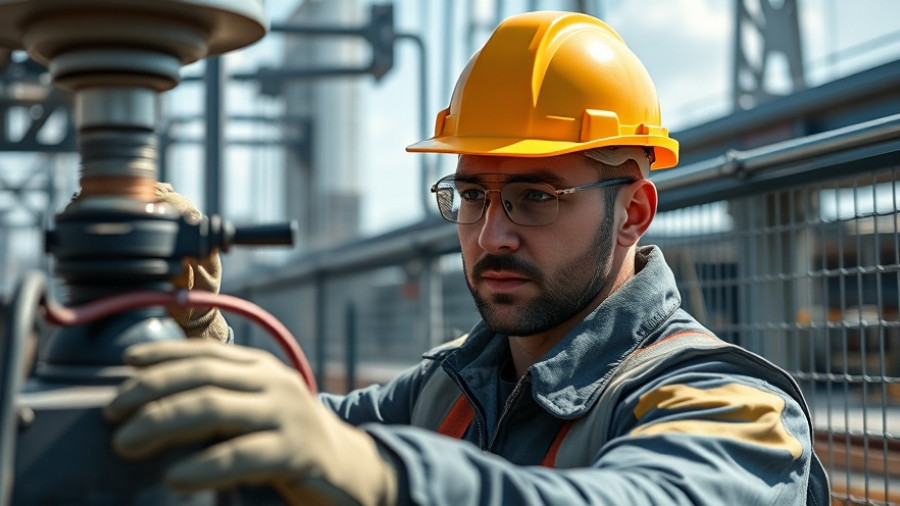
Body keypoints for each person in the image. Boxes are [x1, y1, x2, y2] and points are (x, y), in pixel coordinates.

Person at [102, 11, 830, 505]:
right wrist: (190, 330)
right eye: (474, 194)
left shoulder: (731, 405)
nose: (491, 236)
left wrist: (382, 476)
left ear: (633, 212)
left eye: (536, 197)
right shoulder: (455, 385)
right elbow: (289, 442)